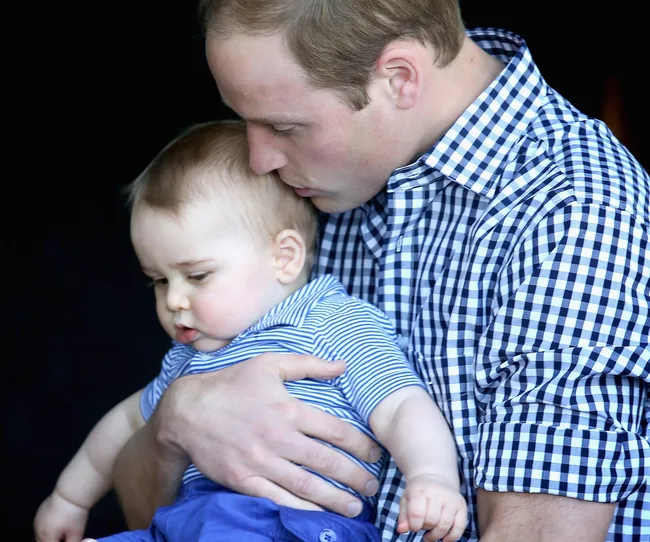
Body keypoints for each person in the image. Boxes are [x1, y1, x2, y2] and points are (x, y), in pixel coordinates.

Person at [114, 1, 648, 541]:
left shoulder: (576, 207)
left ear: (398, 79)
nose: (258, 161)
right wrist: (176, 422)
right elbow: (153, 523)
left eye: (283, 125)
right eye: (245, 120)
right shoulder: (311, 186)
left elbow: (539, 534)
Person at [33, 120, 467, 542]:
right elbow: (127, 421)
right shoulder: (189, 357)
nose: (173, 301)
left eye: (197, 276)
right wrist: (70, 498)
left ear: (284, 258)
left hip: (291, 523)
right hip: (190, 522)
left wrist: (432, 477)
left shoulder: (328, 322)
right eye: (159, 281)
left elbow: (401, 406)